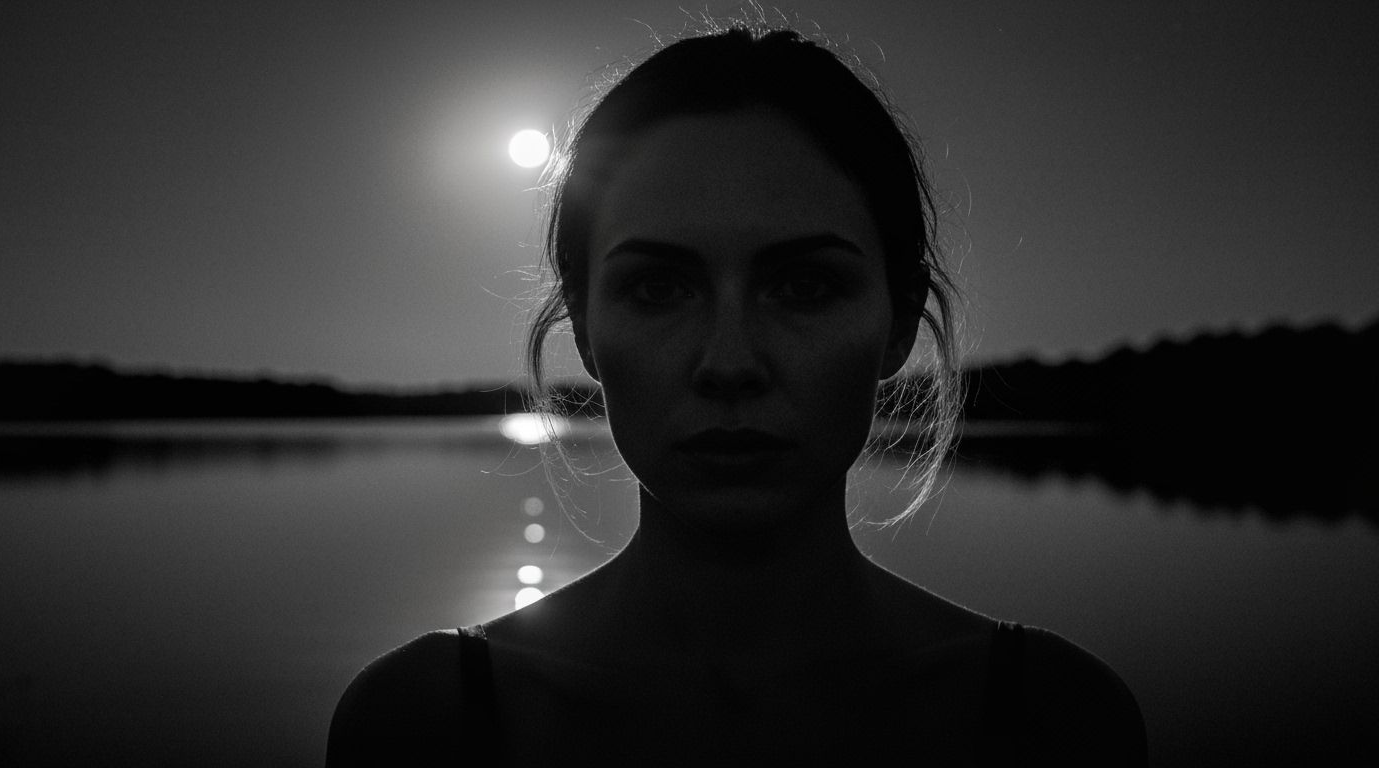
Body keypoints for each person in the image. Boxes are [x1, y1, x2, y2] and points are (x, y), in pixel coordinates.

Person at [327, 19, 1146, 767]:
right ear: (584, 329)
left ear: (898, 322)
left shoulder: (1055, 723)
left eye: (803, 286)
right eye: (658, 289)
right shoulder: (424, 724)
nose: (729, 362)